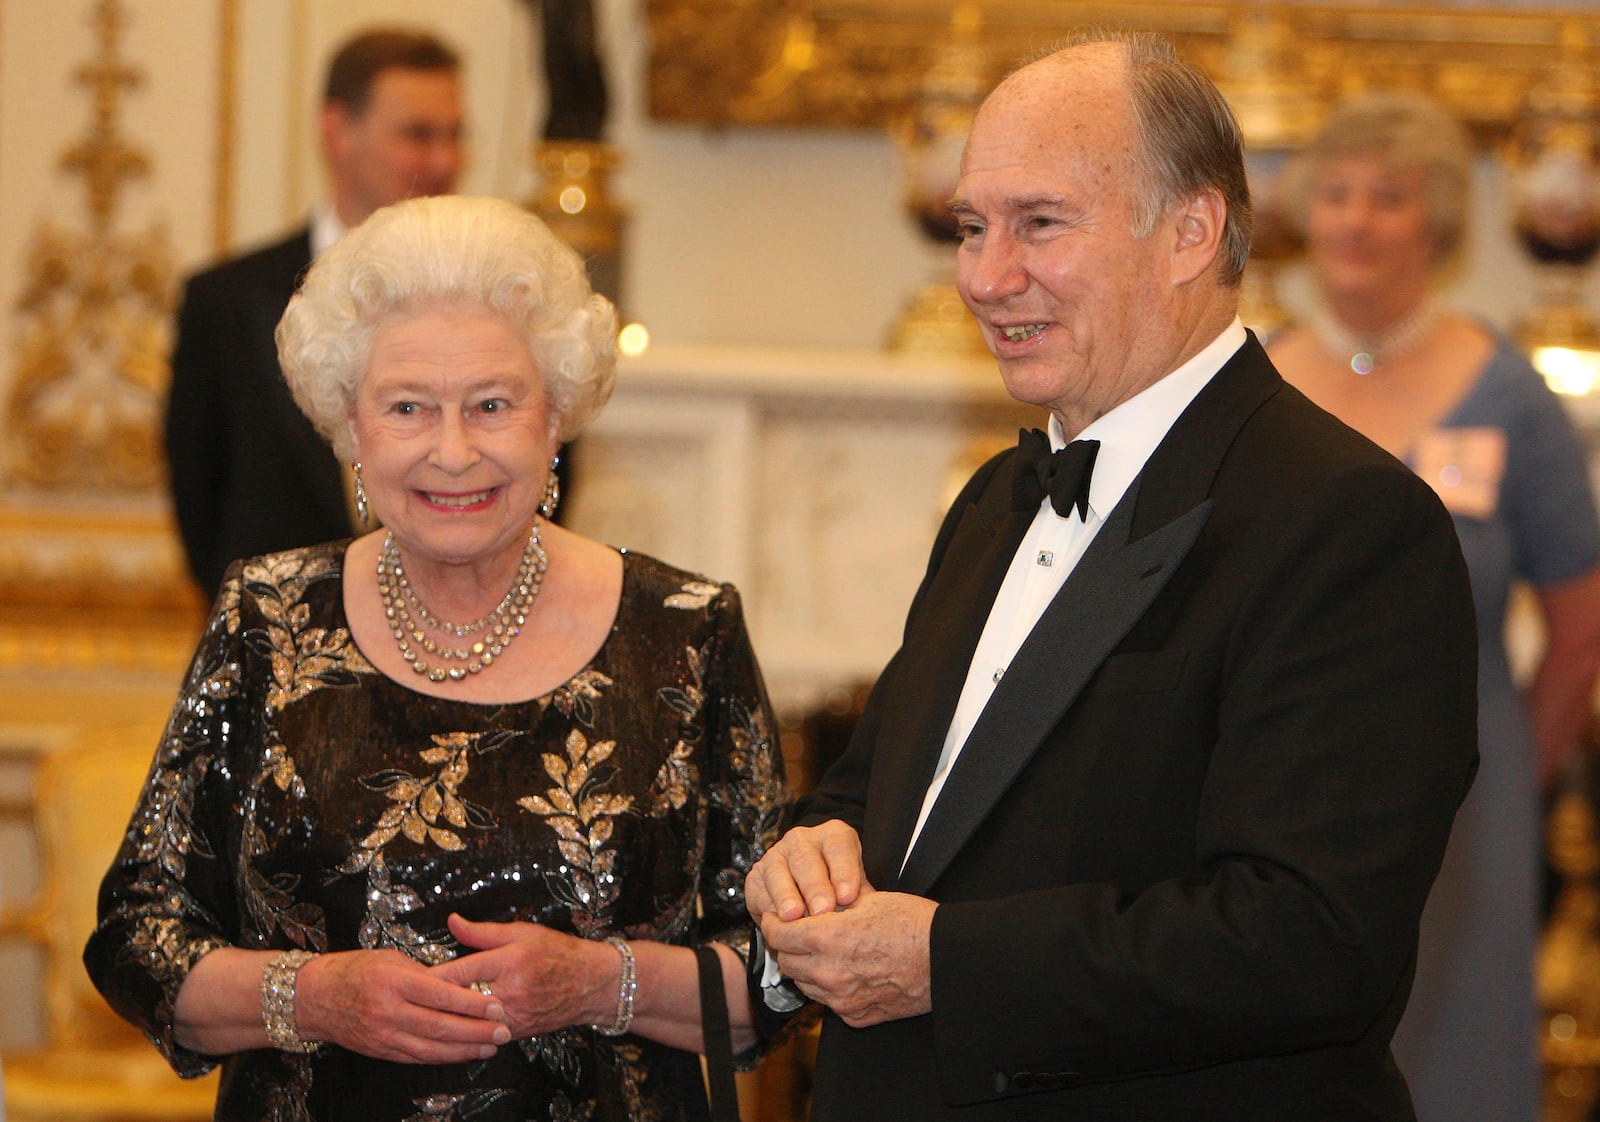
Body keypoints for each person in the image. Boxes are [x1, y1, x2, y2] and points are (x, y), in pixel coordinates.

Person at [744, 32, 1480, 1121]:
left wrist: (948, 961)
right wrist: (813, 850)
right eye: (970, 228)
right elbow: (896, 794)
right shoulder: (999, 494)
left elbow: (1310, 941)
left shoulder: (1348, 522)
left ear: (1190, 233)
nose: (986, 278)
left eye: (1039, 223)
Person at [88, 195, 791, 1120]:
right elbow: (139, 938)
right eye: (408, 406)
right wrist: (311, 999)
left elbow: (780, 974)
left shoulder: (686, 630)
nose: (452, 453)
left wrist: (602, 983)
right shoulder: (265, 615)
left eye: (492, 404)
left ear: (556, 419)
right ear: (351, 425)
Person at [1268, 92, 1600, 1122]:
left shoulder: (1508, 396)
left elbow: (1581, 622)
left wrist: (1507, 769)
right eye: (1335, 194)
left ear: (1439, 225)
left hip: (1469, 797)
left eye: (1390, 197)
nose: (1358, 220)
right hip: (1278, 783)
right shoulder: (1255, 384)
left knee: (1453, 1046)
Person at [165, 27, 464, 600]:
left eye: (456, 135)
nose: (445, 160)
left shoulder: (492, 304)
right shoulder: (225, 300)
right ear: (337, 132)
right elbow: (197, 498)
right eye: (418, 134)